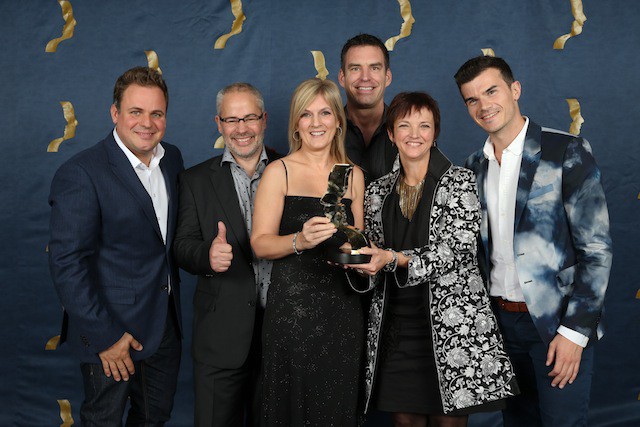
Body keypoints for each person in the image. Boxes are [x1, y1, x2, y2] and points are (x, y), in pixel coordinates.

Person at [455, 55, 613, 426]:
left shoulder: (566, 151)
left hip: (557, 324)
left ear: (515, 89)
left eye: (491, 91)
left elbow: (597, 250)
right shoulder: (472, 167)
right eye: (472, 99)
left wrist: (574, 333)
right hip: (499, 324)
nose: (483, 105)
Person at [344, 92, 517, 427]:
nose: (414, 134)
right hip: (395, 331)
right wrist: (358, 263)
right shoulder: (376, 192)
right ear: (391, 134)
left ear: (435, 133)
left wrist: (392, 258)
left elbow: (457, 251)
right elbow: (375, 260)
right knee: (404, 423)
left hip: (451, 329)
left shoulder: (460, 181)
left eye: (424, 126)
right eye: (404, 126)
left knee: (447, 424)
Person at [48, 66, 184, 426]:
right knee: (103, 421)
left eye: (157, 113)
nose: (147, 123)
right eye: (135, 112)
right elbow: (67, 263)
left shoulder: (172, 159)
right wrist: (105, 337)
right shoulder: (82, 172)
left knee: (154, 418)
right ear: (115, 113)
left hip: (163, 324)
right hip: (109, 331)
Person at [251, 78, 365, 426]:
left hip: (342, 311)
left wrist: (356, 250)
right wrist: (299, 240)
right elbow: (260, 243)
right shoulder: (279, 171)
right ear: (296, 124)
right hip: (293, 313)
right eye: (306, 114)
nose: (316, 122)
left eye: (325, 113)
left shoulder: (350, 175)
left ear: (338, 121)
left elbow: (357, 243)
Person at [173, 83, 279, 427]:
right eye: (231, 119)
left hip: (282, 332)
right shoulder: (194, 180)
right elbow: (182, 245)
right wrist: (207, 255)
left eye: (249, 118)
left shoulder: (292, 169)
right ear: (218, 124)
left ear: (264, 120)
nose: (241, 128)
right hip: (220, 337)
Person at [339, 33, 398, 184]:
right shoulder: (325, 132)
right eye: (355, 68)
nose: (365, 77)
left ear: (387, 77)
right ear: (342, 78)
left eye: (374, 68)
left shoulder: (408, 132)